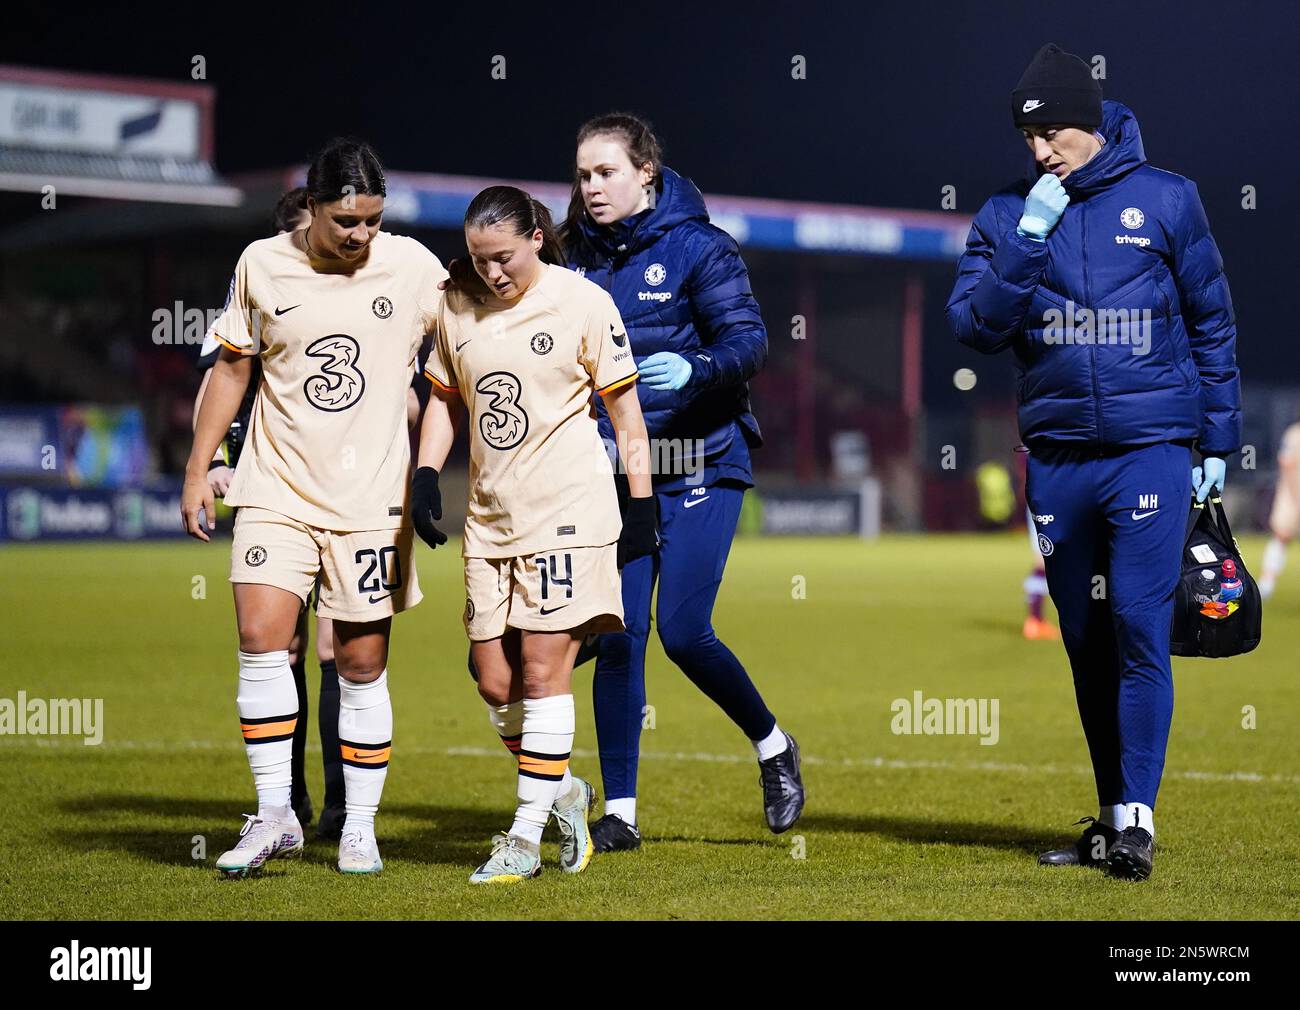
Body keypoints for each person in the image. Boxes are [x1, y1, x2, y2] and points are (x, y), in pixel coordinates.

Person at [947, 44, 1242, 880]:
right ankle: (1113, 816)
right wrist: (1028, 242)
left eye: (1054, 131)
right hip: (1059, 460)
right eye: (1028, 135)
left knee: (1139, 624)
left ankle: (1138, 822)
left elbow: (1212, 322)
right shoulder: (1007, 215)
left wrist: (1217, 438)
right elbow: (974, 325)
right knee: (1084, 640)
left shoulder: (1168, 198)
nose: (1040, 149)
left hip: (1149, 450)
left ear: (1091, 120)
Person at [181, 137, 447, 876]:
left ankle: (357, 823)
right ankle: (275, 816)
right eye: (346, 221)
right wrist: (199, 469)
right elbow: (232, 369)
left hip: (370, 503)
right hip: (275, 487)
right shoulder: (262, 264)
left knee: (359, 663)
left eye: (372, 220)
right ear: (315, 207)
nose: (361, 235)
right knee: (264, 640)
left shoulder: (415, 267)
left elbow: (468, 349)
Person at [559, 113, 804, 851]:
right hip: (622, 473)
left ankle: (772, 746)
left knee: (683, 632)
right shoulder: (572, 259)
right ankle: (621, 814)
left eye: (605, 172)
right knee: (620, 635)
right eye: (582, 175)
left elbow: (750, 340)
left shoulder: (702, 247)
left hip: (701, 460)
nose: (591, 187)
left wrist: (697, 368)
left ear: (647, 175)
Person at [413, 185, 657, 883]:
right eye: (479, 259)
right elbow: (444, 399)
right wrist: (427, 473)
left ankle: (522, 839)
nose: (491, 273)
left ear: (537, 240)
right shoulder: (455, 308)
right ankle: (564, 792)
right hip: (491, 522)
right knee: (494, 680)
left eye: (503, 257)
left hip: (569, 513)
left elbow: (627, 415)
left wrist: (640, 504)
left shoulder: (583, 303)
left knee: (546, 669)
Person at [1258, 421, 1300, 599]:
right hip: (1291, 494)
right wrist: (1294, 492)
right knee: (1281, 535)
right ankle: (1266, 583)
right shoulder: (1294, 433)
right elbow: (1285, 461)